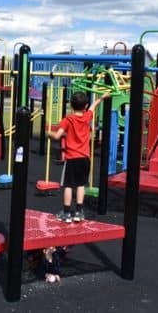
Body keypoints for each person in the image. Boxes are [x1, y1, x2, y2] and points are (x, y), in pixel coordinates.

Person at [48, 90, 109, 223]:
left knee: (68, 186)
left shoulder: (68, 120)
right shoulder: (87, 116)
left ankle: (66, 212)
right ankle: (79, 212)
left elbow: (58, 136)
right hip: (85, 158)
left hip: (72, 158)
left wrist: (49, 134)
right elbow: (94, 106)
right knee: (81, 184)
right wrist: (102, 98)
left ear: (70, 105)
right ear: (85, 106)